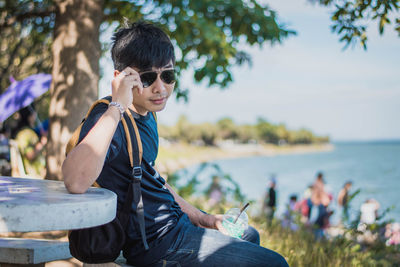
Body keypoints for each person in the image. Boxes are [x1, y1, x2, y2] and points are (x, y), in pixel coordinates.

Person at [62, 21, 288, 267]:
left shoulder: (148, 115)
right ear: (121, 78)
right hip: (158, 245)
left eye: (167, 75)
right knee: (275, 263)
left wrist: (204, 219)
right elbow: (75, 181)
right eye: (147, 78)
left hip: (175, 227)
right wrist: (117, 104)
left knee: (249, 234)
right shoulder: (109, 117)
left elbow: (153, 180)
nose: (161, 88)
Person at [13, 105, 47, 178]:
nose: (35, 115)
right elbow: (30, 155)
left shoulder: (28, 132)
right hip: (34, 175)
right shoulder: (25, 134)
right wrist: (42, 142)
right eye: (34, 113)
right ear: (29, 116)